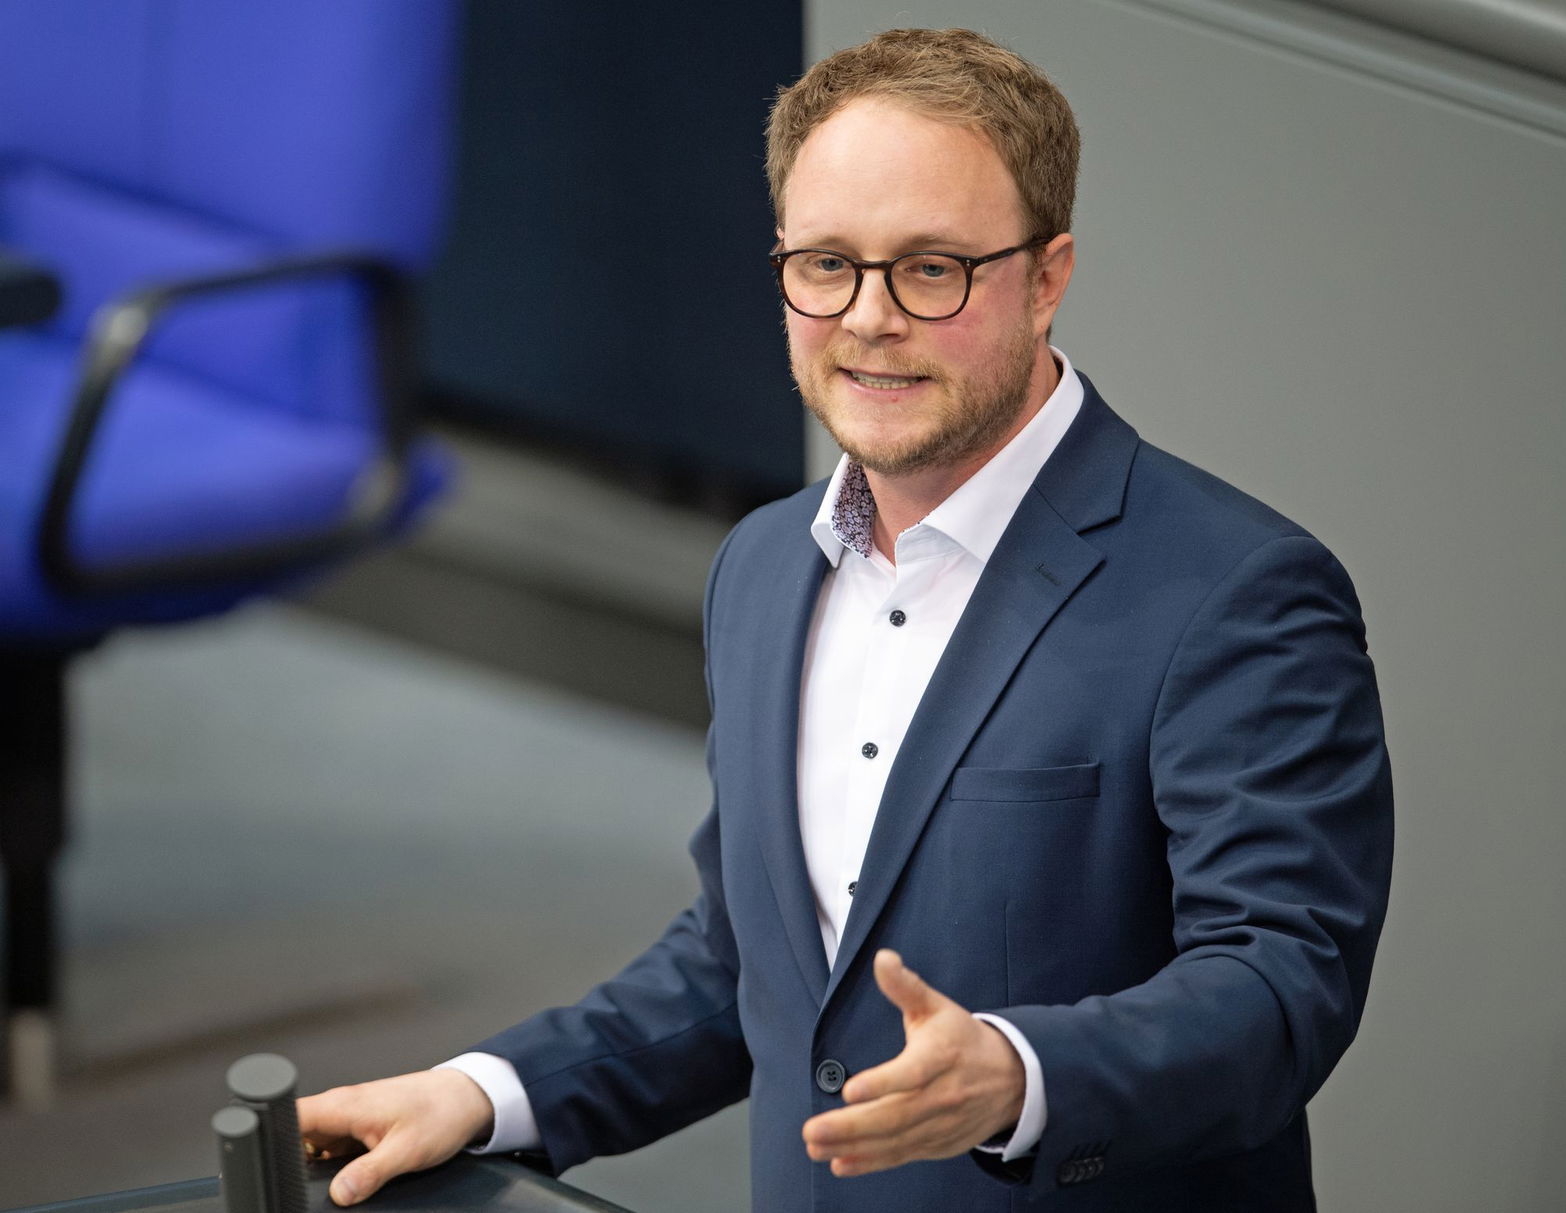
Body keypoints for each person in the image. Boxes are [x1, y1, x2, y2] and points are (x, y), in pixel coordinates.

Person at [298, 28, 1392, 1212]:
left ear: (1048, 274)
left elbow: (1282, 987)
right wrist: (492, 1089)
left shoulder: (1235, 592)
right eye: (825, 264)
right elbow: (751, 963)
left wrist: (1020, 1074)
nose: (867, 318)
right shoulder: (763, 565)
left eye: (931, 269)